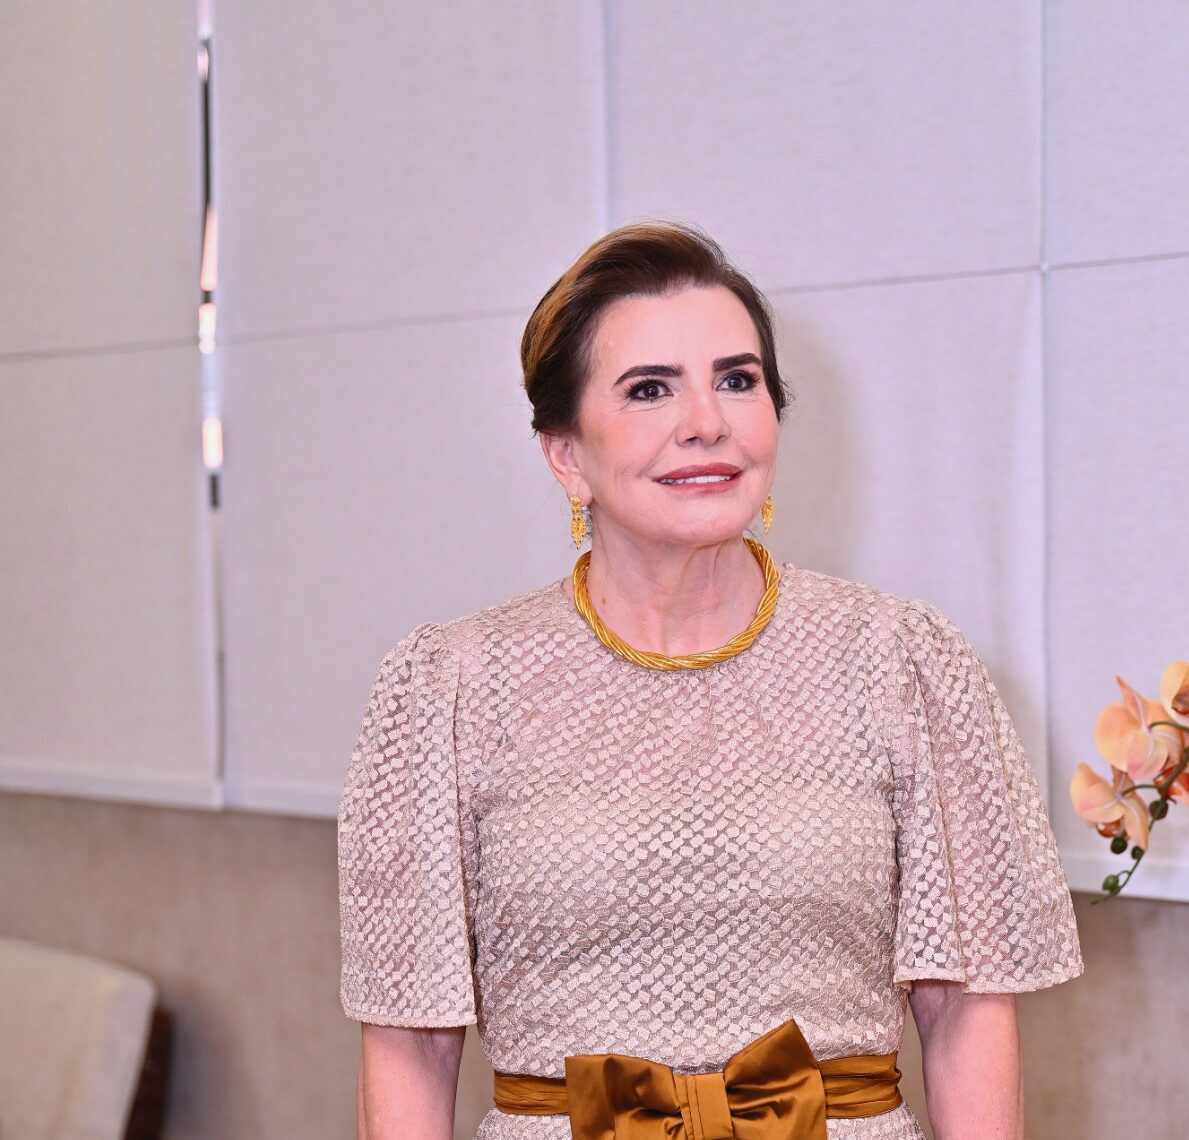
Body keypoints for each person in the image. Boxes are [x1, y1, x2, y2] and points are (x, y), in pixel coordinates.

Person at [337, 220, 1084, 1140]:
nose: (707, 421)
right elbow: (411, 1043)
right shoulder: (448, 687)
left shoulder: (903, 661)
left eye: (738, 380)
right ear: (566, 453)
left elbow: (964, 1008)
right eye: (649, 389)